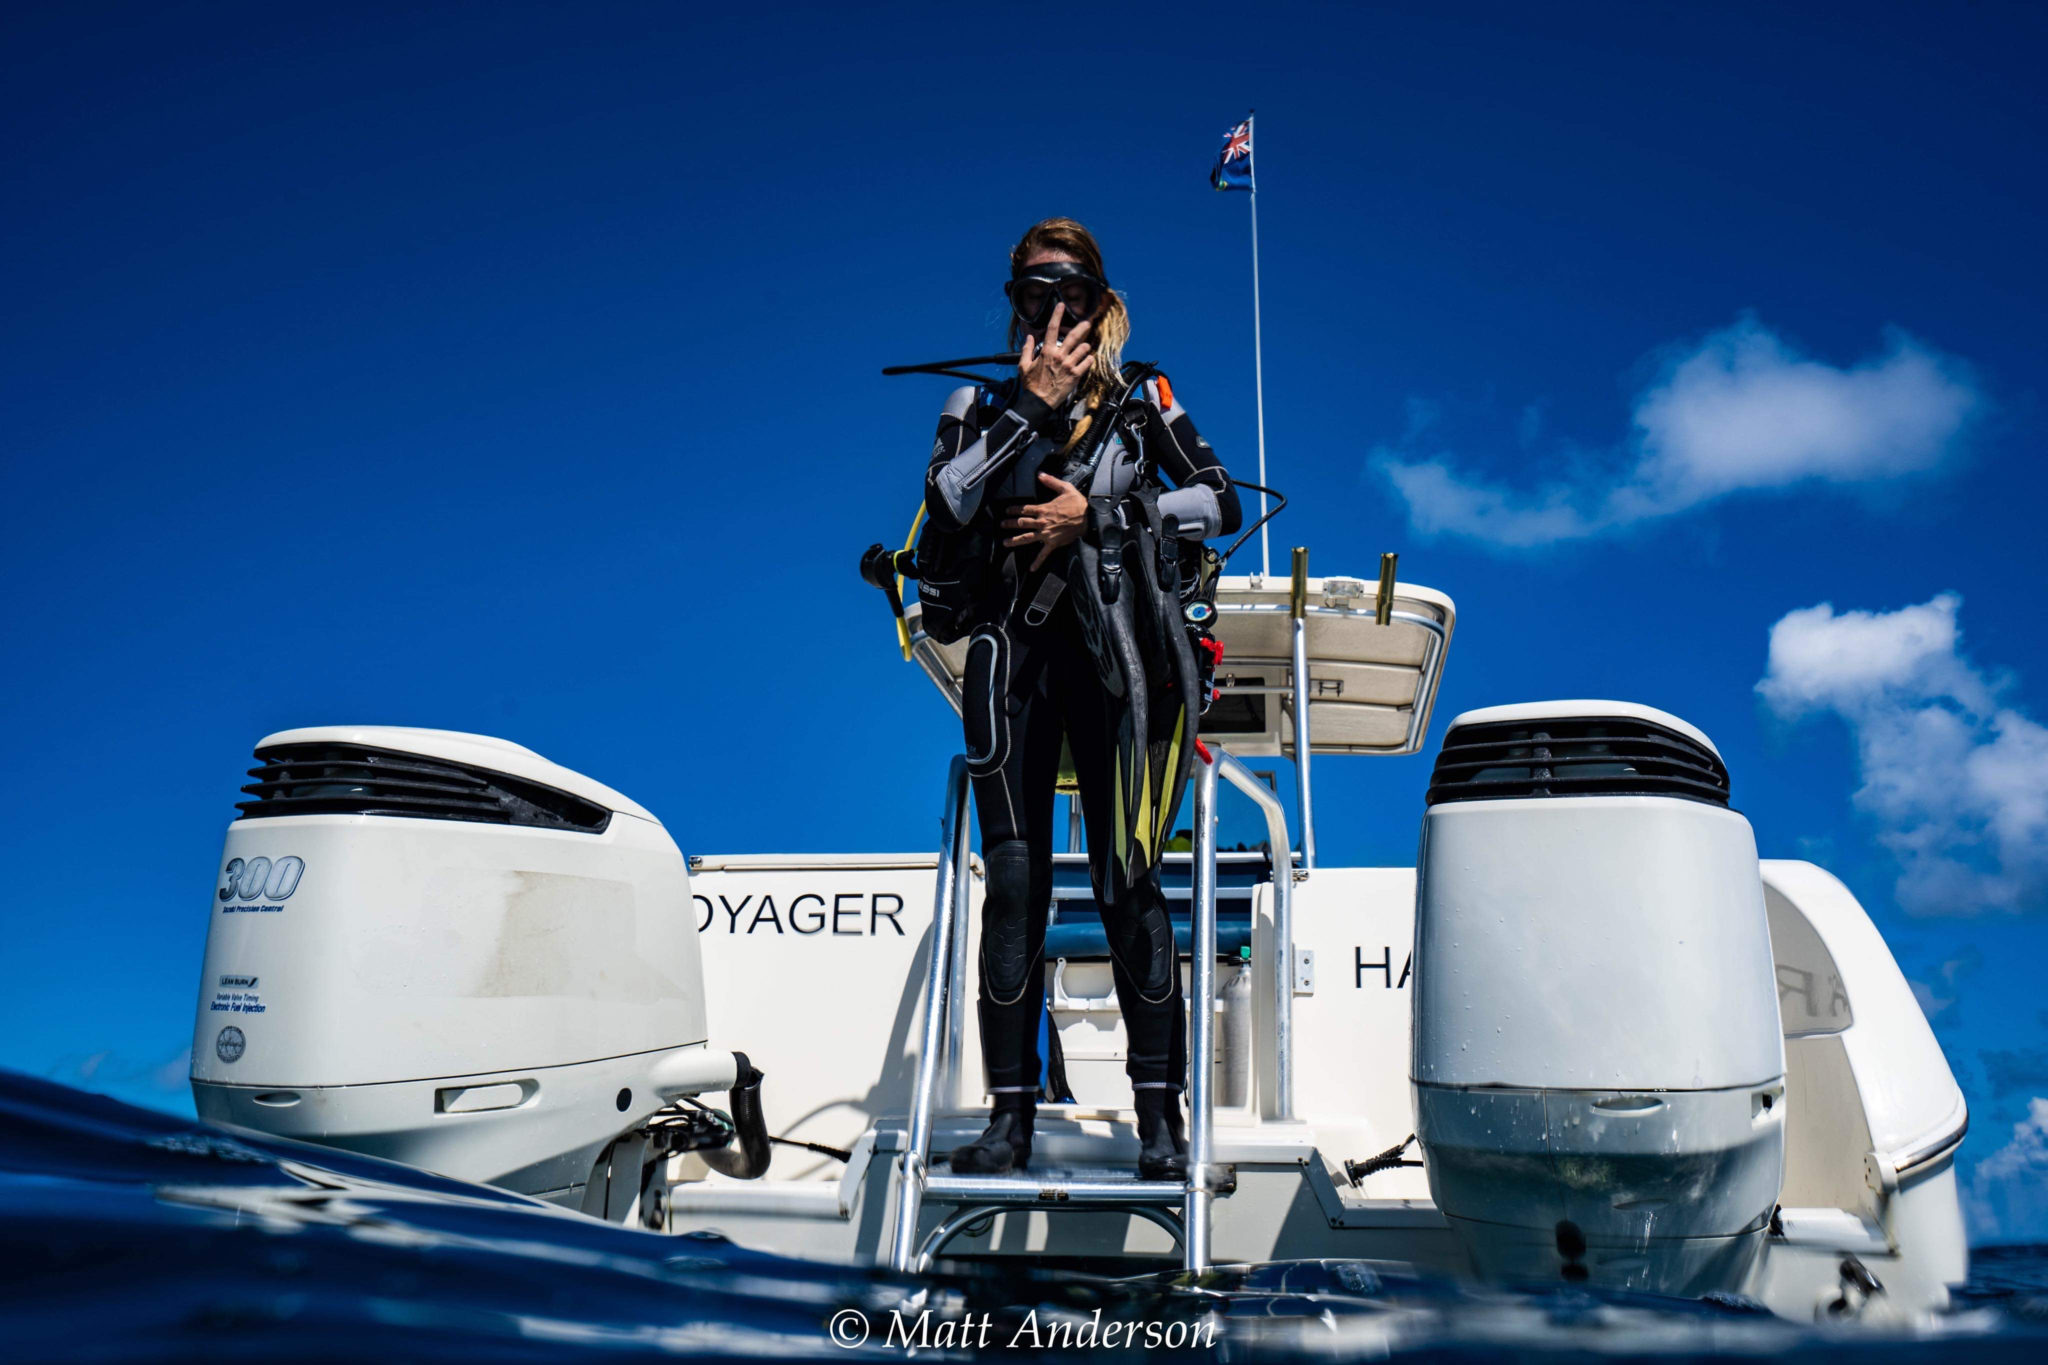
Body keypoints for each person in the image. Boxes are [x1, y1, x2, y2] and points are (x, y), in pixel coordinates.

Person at [921, 217, 1242, 1178]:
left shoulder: (1147, 405)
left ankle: (1160, 1124)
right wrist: (1030, 405)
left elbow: (1222, 502)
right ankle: (1009, 1120)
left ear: (1100, 308)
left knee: (1124, 878)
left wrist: (1093, 512)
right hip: (1011, 669)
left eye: (1069, 299)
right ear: (1013, 304)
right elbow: (945, 505)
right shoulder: (975, 404)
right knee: (1013, 884)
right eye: (1030, 297)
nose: (1049, 316)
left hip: (1120, 674)